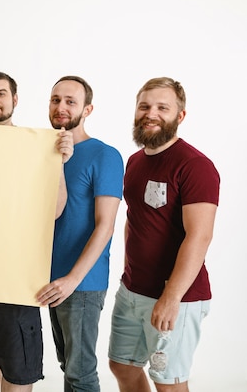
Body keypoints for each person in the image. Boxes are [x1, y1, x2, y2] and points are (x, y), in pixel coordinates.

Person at [0, 71, 74, 392]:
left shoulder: (36, 147)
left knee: (19, 366)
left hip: (16, 276)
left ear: (14, 100)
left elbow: (56, 209)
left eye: (1, 94)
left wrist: (58, 161)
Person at [108, 77, 220, 392]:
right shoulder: (135, 161)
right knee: (123, 366)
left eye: (162, 107)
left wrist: (171, 298)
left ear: (180, 116)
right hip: (132, 291)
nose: (151, 113)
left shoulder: (195, 165)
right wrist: (128, 273)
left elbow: (200, 236)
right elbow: (134, 219)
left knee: (167, 383)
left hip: (177, 297)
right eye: (144, 106)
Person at [35, 76, 124, 392]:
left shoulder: (105, 155)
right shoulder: (43, 152)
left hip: (82, 284)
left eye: (70, 101)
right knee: (67, 368)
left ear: (88, 109)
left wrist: (72, 279)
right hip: (48, 280)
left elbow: (106, 225)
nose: (61, 107)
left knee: (80, 373)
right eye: (55, 99)